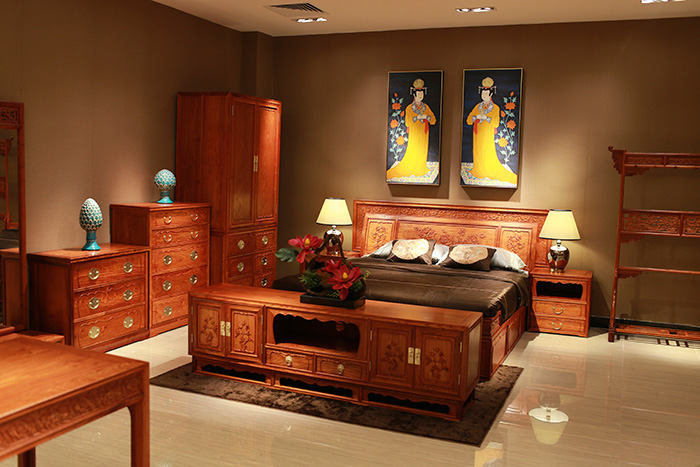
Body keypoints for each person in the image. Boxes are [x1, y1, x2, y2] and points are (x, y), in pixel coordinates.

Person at [466, 77, 517, 184]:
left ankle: (487, 169)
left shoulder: (495, 108)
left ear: (491, 95)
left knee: (487, 151)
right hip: (477, 135)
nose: (484, 96)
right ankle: (479, 169)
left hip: (487, 135)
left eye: (486, 94)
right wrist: (476, 117)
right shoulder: (478, 106)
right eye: (483, 94)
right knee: (478, 152)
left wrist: (486, 118)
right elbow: (469, 120)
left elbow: (496, 123)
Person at [386, 78, 436, 180]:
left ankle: (421, 166)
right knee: (414, 150)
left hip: (424, 134)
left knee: (422, 150)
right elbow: (407, 122)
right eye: (418, 94)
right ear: (414, 95)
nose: (420, 96)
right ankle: (413, 166)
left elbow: (433, 120)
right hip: (415, 133)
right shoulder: (409, 108)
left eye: (422, 94)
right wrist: (416, 118)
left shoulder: (426, 107)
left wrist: (426, 117)